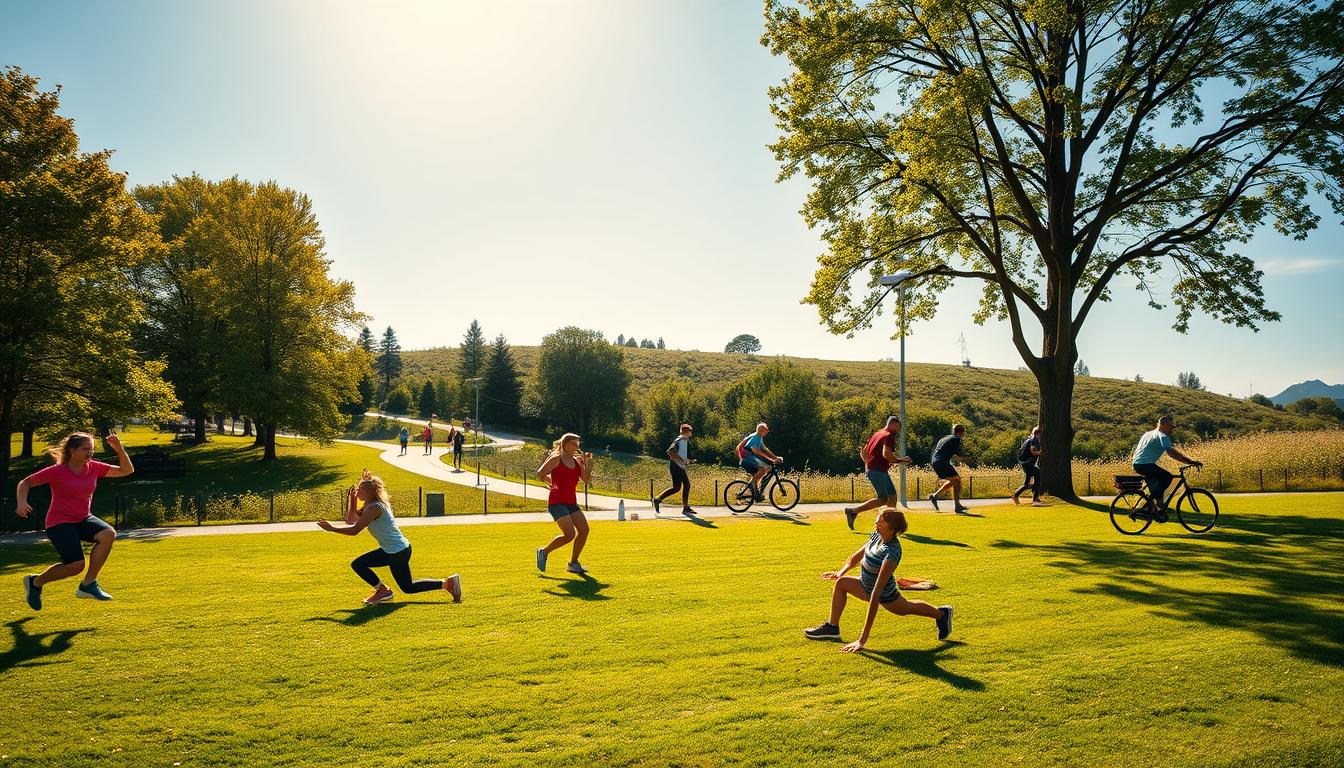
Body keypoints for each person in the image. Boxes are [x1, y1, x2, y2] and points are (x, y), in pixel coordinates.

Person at [16, 431, 135, 610]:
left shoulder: (94, 467)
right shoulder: (57, 471)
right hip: (59, 522)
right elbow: (25, 482)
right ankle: (35, 582)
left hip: (83, 518)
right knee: (75, 566)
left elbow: (127, 470)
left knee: (108, 534)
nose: (90, 452)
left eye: (92, 449)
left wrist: (119, 449)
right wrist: (22, 502)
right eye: (86, 449)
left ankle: (88, 584)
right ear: (73, 450)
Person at [804, 507, 953, 650]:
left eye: (880, 521)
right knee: (842, 583)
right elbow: (856, 557)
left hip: (885, 595)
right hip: (865, 586)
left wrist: (862, 640)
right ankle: (832, 628)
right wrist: (840, 572)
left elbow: (877, 592)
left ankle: (941, 614)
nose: (876, 522)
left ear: (891, 527)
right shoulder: (877, 535)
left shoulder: (892, 552)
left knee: (907, 608)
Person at [316, 470, 461, 605]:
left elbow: (354, 529)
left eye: (360, 489)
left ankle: (446, 584)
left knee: (407, 587)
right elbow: (351, 519)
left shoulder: (374, 508)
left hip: (397, 552)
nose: (357, 490)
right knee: (360, 565)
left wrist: (332, 529)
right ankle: (385, 590)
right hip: (393, 550)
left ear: (368, 492)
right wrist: (353, 501)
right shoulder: (370, 505)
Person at [536, 433, 593, 574]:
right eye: (574, 443)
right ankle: (544, 552)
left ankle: (573, 563)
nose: (577, 447)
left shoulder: (577, 461)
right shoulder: (556, 459)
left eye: (578, 444)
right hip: (557, 502)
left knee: (584, 530)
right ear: (565, 444)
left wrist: (586, 464)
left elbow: (586, 480)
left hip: (571, 502)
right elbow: (541, 472)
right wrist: (552, 484)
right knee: (569, 534)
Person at [844, 416, 913, 529]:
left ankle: (889, 523)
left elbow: (864, 453)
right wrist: (902, 460)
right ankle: (854, 512)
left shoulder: (877, 434)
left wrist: (870, 464)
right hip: (878, 471)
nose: (899, 431)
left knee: (889, 497)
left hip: (874, 470)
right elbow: (887, 454)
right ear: (894, 424)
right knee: (887, 498)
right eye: (899, 427)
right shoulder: (889, 435)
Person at [1132, 415, 1202, 514]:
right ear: (1163, 425)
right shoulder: (1162, 436)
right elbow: (1172, 453)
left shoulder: (1148, 434)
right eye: (1171, 427)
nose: (1172, 430)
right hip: (1146, 464)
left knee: (1158, 482)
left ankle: (1153, 506)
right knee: (1167, 477)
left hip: (1138, 464)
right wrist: (1191, 461)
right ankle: (1156, 505)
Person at [653, 424, 696, 517]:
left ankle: (685, 507)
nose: (691, 432)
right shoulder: (679, 439)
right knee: (677, 488)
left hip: (679, 466)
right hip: (676, 466)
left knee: (686, 485)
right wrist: (683, 460)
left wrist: (688, 461)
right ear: (686, 432)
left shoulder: (684, 440)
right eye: (690, 431)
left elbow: (681, 455)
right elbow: (670, 452)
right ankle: (657, 499)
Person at [928, 424, 971, 513]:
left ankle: (935, 496)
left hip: (935, 462)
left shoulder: (945, 438)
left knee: (954, 481)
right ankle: (957, 506)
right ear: (962, 432)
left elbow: (938, 450)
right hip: (942, 462)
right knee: (958, 480)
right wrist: (967, 458)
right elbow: (959, 456)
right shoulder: (956, 439)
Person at [735, 422, 781, 501]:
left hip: (748, 459)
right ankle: (754, 489)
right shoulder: (756, 437)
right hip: (746, 460)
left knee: (767, 468)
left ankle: (755, 492)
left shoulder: (759, 437)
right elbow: (756, 451)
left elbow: (765, 450)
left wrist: (776, 457)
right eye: (766, 430)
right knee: (762, 469)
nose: (767, 432)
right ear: (761, 430)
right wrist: (771, 459)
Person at [1012, 426, 1045, 506]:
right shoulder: (1034, 440)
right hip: (1028, 464)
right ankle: (1034, 497)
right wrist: (1041, 452)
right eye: (1040, 433)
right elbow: (1032, 451)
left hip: (1026, 464)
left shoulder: (1030, 439)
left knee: (1028, 482)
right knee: (1036, 475)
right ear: (1038, 433)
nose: (1041, 435)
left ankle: (1017, 495)